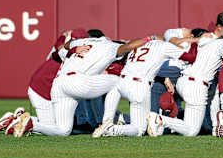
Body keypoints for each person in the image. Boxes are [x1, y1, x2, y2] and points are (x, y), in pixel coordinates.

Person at [10, 34, 147, 137]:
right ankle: (107, 123)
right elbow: (129, 46)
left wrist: (74, 48)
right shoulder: (110, 46)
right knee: (117, 82)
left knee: (63, 130)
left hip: (58, 84)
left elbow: (63, 46)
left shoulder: (82, 41)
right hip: (76, 81)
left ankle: (31, 123)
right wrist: (150, 39)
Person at [148, 12, 223, 137]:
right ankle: (160, 119)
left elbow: (180, 43)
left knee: (193, 122)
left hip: (183, 80)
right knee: (192, 131)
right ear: (219, 27)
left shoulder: (203, 38)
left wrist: (196, 39)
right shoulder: (222, 42)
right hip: (197, 86)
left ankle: (213, 126)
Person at [92, 36, 189, 137]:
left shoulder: (137, 44)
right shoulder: (163, 45)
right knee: (139, 130)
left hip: (120, 82)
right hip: (139, 84)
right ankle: (113, 129)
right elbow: (188, 57)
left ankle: (105, 124)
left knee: (108, 119)